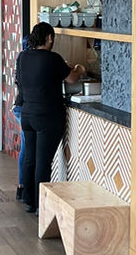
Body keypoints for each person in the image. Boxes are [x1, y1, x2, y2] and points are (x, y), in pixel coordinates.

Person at [16, 22, 84, 213]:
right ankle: (41, 205)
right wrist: (79, 69)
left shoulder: (23, 57)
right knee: (43, 161)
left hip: (27, 114)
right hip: (47, 116)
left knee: (31, 157)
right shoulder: (53, 58)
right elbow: (73, 79)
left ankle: (29, 200)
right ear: (50, 38)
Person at [12, 34, 29, 201]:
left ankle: (22, 187)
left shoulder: (21, 59)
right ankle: (23, 186)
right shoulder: (30, 61)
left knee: (26, 147)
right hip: (24, 108)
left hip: (19, 107)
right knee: (26, 148)